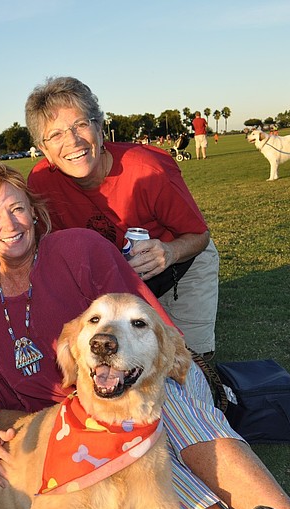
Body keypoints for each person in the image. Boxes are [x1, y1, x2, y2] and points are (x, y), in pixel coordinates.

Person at [0, 162, 290, 509]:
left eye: (16, 209)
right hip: (78, 416)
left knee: (154, 416)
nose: (9, 224)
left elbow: (147, 326)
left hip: (150, 379)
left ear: (34, 212)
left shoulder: (78, 249)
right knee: (142, 461)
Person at [26, 76, 219, 359]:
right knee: (123, 363)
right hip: (115, 282)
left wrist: (169, 251)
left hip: (180, 265)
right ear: (44, 150)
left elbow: (199, 235)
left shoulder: (148, 169)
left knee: (188, 362)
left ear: (100, 127)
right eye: (55, 135)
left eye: (80, 124)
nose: (73, 140)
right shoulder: (42, 184)